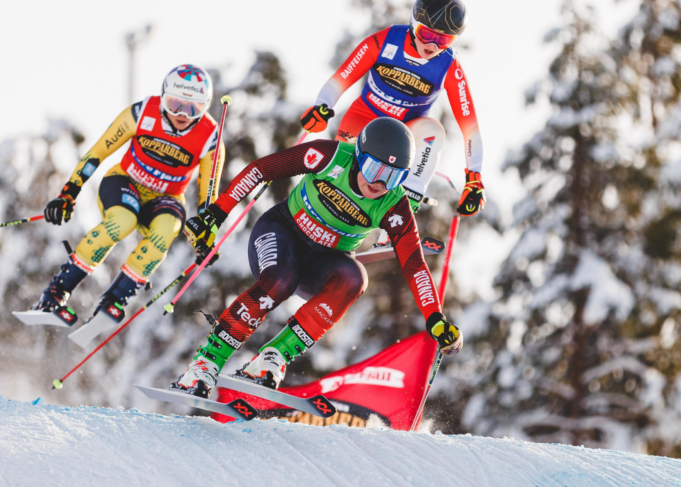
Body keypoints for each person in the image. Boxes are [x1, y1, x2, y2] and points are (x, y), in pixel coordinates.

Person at [170, 117, 463, 398]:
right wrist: (216, 214)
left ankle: (273, 357)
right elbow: (262, 169)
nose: (379, 184)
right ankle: (205, 363)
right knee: (281, 281)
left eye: (393, 177)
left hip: (322, 262)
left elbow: (414, 265)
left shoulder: (393, 203)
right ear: (359, 156)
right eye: (374, 169)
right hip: (281, 233)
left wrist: (435, 317)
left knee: (354, 278)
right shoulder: (329, 156)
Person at [32, 64, 225, 322]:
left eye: (194, 108)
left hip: (165, 199)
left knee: (167, 230)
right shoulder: (141, 113)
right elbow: (98, 152)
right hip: (125, 182)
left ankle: (115, 298)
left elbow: (207, 198)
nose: (182, 114)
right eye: (175, 103)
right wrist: (69, 193)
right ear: (163, 95)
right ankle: (56, 293)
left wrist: (205, 237)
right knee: (122, 222)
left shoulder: (210, 138)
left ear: (206, 107)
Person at [300, 0, 486, 221]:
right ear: (413, 23)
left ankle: (400, 216)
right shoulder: (386, 40)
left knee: (433, 131)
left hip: (405, 134)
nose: (433, 46)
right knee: (347, 178)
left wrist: (474, 178)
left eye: (444, 40)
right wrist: (322, 107)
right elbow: (342, 77)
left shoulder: (449, 68)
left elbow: (471, 129)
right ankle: (317, 218)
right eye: (427, 34)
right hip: (364, 120)